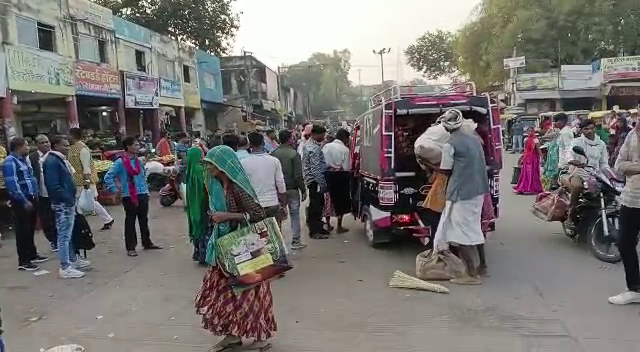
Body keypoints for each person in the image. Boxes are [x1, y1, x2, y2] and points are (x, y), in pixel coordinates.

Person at [194, 146, 276, 351]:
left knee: (251, 292)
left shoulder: (238, 187)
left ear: (223, 165)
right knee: (224, 294)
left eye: (212, 164)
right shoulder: (215, 186)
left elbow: (258, 215)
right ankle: (231, 335)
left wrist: (227, 216)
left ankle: (261, 336)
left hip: (244, 248)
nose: (209, 168)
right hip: (223, 249)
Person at [433, 110, 489, 285]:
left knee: (460, 232)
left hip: (461, 193)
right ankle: (483, 267)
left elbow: (446, 170)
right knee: (474, 228)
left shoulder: (450, 145)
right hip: (478, 191)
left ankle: (471, 275)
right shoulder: (475, 140)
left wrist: (431, 169)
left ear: (445, 126)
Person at [104, 136, 163, 257]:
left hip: (142, 194)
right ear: (128, 147)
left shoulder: (138, 161)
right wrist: (115, 189)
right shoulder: (120, 162)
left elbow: (142, 176)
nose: (138, 147)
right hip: (129, 195)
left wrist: (146, 191)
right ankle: (131, 247)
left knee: (144, 220)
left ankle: (147, 242)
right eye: (135, 145)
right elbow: (108, 177)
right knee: (130, 221)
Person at [43, 136, 91, 279]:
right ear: (56, 145)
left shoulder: (58, 160)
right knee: (64, 235)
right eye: (64, 145)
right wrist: (67, 198)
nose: (67, 148)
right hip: (62, 204)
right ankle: (65, 266)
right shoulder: (52, 161)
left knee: (68, 234)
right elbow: (53, 185)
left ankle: (72, 260)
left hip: (66, 202)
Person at [3, 137, 48, 271]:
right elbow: (12, 183)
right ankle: (24, 260)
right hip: (21, 200)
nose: (28, 148)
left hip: (31, 197)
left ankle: (32, 254)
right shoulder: (10, 161)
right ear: (19, 147)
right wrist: (23, 200)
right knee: (23, 229)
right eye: (26, 145)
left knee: (30, 228)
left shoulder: (23, 160)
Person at [611, 120, 640, 304]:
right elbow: (619, 165)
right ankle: (635, 289)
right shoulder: (632, 135)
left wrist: (632, 168)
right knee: (625, 243)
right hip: (632, 199)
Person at [561, 119, 609, 230]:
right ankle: (570, 214)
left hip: (595, 175)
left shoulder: (601, 144)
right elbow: (568, 153)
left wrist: (609, 175)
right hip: (578, 173)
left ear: (595, 128)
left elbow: (604, 163)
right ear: (581, 131)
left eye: (591, 128)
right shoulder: (577, 142)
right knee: (578, 186)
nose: (589, 131)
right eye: (586, 129)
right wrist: (572, 160)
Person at [68, 128, 114, 231]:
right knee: (87, 202)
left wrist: (87, 182)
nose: (67, 137)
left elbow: (86, 167)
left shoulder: (83, 149)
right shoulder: (72, 148)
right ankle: (107, 220)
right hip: (77, 180)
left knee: (88, 202)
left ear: (73, 136)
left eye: (69, 135)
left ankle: (105, 220)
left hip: (84, 181)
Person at [272, 130, 307, 249]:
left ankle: (278, 243)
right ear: (289, 139)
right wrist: (303, 190)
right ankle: (296, 241)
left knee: (278, 216)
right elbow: (298, 175)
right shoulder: (294, 154)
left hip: (277, 191)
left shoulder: (273, 154)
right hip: (292, 189)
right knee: (294, 214)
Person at [242, 132, 287, 226]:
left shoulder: (243, 163)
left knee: (258, 237)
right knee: (275, 235)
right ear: (263, 143)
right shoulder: (274, 161)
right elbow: (280, 183)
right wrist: (283, 204)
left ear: (249, 144)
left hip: (254, 206)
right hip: (272, 203)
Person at [29, 134, 57, 251]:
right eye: (43, 142)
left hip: (55, 191)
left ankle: (60, 239)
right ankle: (52, 240)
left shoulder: (54, 155)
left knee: (58, 217)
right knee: (46, 219)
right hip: (41, 193)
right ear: (37, 145)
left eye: (47, 142)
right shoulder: (32, 158)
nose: (46, 144)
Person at [322, 128, 351, 233]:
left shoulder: (326, 146)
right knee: (341, 200)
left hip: (327, 174)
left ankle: (328, 224)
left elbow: (322, 162)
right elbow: (347, 167)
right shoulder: (345, 150)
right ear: (344, 138)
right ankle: (339, 225)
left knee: (328, 200)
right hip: (340, 175)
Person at [303, 125, 329, 239]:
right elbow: (315, 169)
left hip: (312, 180)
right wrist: (322, 184)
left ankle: (318, 227)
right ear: (315, 134)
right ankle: (315, 231)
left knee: (318, 204)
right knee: (316, 206)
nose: (323, 137)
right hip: (315, 181)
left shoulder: (310, 144)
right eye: (322, 135)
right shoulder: (313, 148)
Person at [185, 147, 210, 265]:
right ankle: (205, 255)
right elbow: (205, 187)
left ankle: (199, 253)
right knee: (205, 227)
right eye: (200, 154)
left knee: (197, 226)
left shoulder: (190, 170)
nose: (202, 156)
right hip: (202, 202)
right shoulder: (200, 170)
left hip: (193, 204)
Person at [513, 127, 543, 195]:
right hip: (527, 158)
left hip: (534, 159)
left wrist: (542, 158)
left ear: (533, 132)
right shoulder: (526, 140)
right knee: (525, 174)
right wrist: (521, 158)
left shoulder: (536, 140)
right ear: (527, 132)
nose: (530, 133)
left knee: (533, 173)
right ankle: (524, 188)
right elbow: (525, 150)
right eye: (528, 131)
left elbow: (538, 150)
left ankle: (533, 188)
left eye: (531, 131)